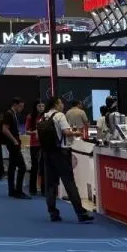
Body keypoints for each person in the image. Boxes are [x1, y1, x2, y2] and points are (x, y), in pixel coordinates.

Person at [41, 95, 93, 224]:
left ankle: (53, 213)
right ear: (56, 104)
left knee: (50, 184)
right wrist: (77, 133)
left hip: (47, 152)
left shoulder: (44, 116)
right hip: (60, 153)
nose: (63, 105)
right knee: (69, 183)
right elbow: (66, 132)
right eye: (61, 103)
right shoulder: (59, 116)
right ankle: (81, 213)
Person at [1, 98, 28, 198]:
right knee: (22, 167)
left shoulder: (14, 114)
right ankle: (18, 191)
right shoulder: (9, 114)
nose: (22, 108)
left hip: (14, 143)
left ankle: (12, 190)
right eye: (20, 106)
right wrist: (14, 140)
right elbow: (5, 129)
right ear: (15, 105)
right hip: (13, 144)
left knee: (12, 167)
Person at [26, 100, 46, 196]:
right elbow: (26, 131)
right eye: (39, 106)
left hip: (44, 144)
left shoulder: (46, 117)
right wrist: (34, 132)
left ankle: (44, 189)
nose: (41, 108)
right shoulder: (30, 117)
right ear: (35, 107)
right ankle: (32, 188)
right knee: (34, 167)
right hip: (34, 144)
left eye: (42, 106)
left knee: (44, 167)